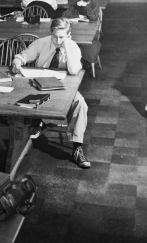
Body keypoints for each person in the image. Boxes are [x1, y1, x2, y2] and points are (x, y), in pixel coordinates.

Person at [11, 18, 91, 169]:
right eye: (55, 36)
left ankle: (77, 147)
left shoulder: (72, 47)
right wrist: (17, 62)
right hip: (39, 84)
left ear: (69, 35)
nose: (57, 40)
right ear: (50, 33)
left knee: (80, 104)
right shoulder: (42, 42)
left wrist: (66, 45)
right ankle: (36, 124)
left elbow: (74, 70)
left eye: (62, 37)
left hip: (64, 86)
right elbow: (23, 56)